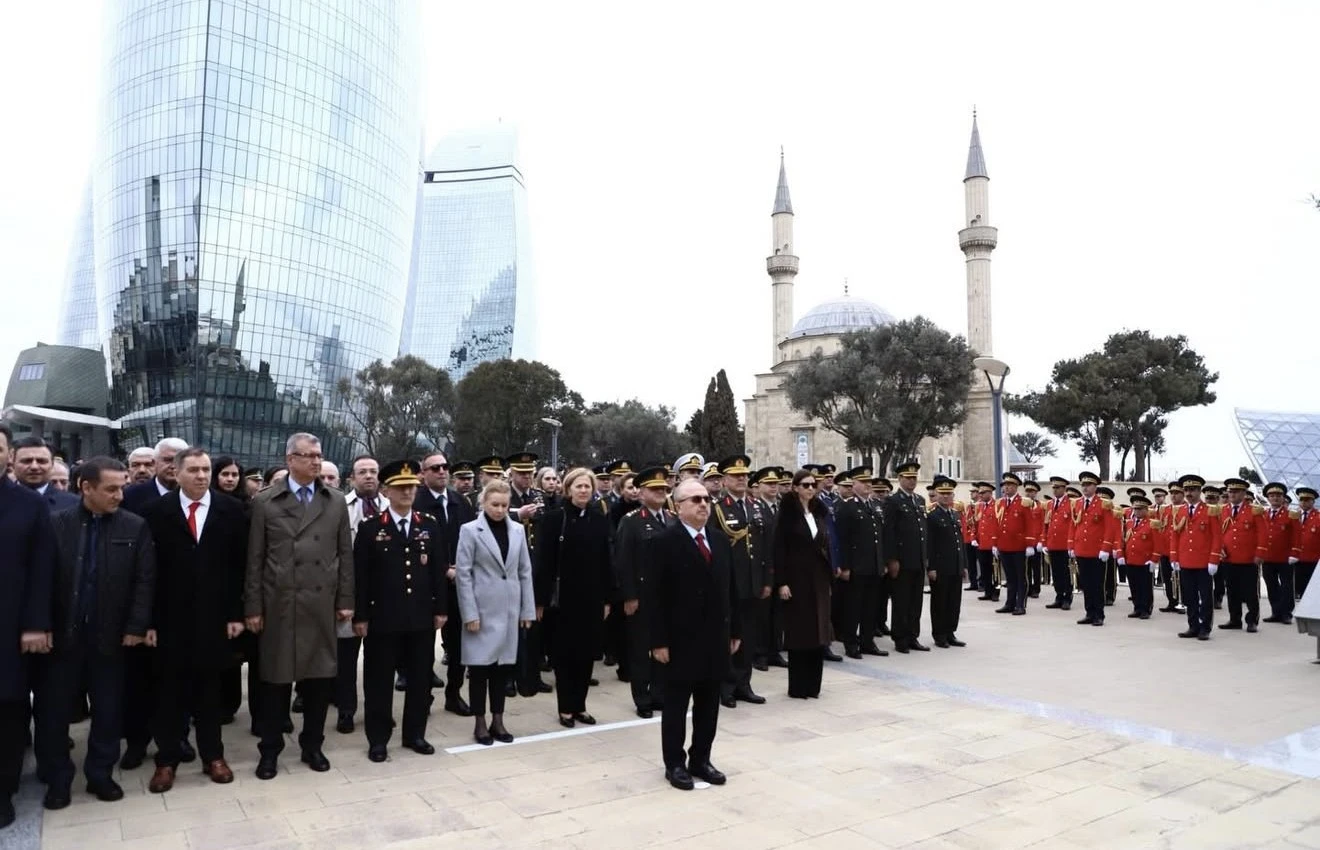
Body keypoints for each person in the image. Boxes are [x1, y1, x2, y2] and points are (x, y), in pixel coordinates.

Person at [35, 457, 155, 808]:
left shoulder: (135, 527)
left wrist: (136, 626)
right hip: (62, 639)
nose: (121, 494)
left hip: (111, 639)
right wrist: (40, 626)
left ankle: (100, 775)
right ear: (85, 488)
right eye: (112, 489)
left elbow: (145, 581)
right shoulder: (56, 525)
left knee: (108, 711)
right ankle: (58, 779)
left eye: (123, 486)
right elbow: (39, 581)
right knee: (54, 714)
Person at [244, 433, 354, 780]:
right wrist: (253, 607)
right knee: (276, 684)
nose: (315, 462)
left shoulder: (334, 500)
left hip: (321, 605)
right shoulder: (265, 502)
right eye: (308, 456)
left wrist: (346, 601)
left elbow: (345, 556)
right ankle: (270, 750)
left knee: (319, 682)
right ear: (290, 459)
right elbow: (255, 559)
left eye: (319, 456)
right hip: (280, 604)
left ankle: (312, 745)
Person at [142, 448, 247, 792]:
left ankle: (213, 757)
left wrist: (235, 614)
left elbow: (238, 568)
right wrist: (150, 622)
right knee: (168, 693)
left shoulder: (231, 510)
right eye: (194, 470)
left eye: (205, 470)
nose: (202, 476)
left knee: (209, 693)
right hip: (169, 620)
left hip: (214, 620)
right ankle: (166, 761)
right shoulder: (157, 512)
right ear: (177, 471)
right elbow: (148, 572)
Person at [649, 479, 739, 791]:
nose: (703, 504)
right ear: (678, 506)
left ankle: (701, 758)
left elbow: (731, 589)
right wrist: (658, 640)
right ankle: (674, 763)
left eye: (706, 499)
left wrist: (735, 629)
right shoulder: (664, 541)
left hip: (714, 638)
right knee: (676, 705)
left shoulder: (719, 539)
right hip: (679, 639)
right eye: (695, 499)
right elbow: (654, 596)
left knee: (708, 704)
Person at [354, 461, 447, 762]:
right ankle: (378, 739)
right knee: (378, 682)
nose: (407, 491)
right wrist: (360, 616)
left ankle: (414, 734)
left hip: (420, 617)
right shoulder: (371, 528)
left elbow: (437, 571)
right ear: (386, 490)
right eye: (400, 486)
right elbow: (361, 576)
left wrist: (441, 609)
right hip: (383, 619)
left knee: (420, 680)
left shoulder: (429, 525)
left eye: (411, 486)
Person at [0, 425, 55, 828]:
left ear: (7, 457)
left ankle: (3, 792)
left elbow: (41, 569)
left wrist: (36, 624)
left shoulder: (27, 505)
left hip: (11, 626)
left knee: (9, 709)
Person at [455, 479, 536, 746]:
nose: (500, 510)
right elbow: (463, 574)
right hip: (482, 609)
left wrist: (527, 609)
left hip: (509, 609)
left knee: (502, 670)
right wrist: (470, 614)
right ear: (484, 503)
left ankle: (498, 719)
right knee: (480, 669)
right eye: (494, 504)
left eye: (504, 505)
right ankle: (480, 723)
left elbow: (524, 571)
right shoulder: (470, 530)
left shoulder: (517, 530)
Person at [535, 468, 612, 727]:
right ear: (568, 489)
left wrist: (607, 599)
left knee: (586, 654)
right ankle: (565, 707)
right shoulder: (554, 519)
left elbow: (606, 561)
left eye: (587, 487)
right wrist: (540, 600)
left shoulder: (599, 518)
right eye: (578, 486)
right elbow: (543, 562)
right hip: (562, 601)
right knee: (564, 655)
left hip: (591, 598)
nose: (583, 491)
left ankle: (580, 705)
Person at [415, 451, 478, 714]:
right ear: (423, 473)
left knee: (457, 644)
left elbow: (472, 538)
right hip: (425, 584)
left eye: (445, 467)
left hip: (458, 584)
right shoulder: (416, 502)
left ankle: (453, 694)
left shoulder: (460, 502)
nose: (442, 471)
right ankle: (422, 697)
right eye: (435, 468)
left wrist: (462, 569)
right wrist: (443, 569)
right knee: (422, 646)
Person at [709, 455, 769, 706]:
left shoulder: (756, 506)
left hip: (753, 581)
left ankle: (744, 684)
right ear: (724, 480)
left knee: (748, 636)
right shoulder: (717, 508)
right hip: (729, 583)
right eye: (736, 476)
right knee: (728, 637)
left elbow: (765, 546)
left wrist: (767, 579)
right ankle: (726, 687)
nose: (742, 479)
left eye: (744, 475)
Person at [614, 466, 670, 718]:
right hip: (642, 596)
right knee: (640, 650)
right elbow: (623, 561)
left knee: (663, 645)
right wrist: (629, 596)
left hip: (665, 597)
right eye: (655, 489)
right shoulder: (632, 521)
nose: (660, 493)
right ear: (642, 492)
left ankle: (659, 694)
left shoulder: (672, 519)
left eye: (664, 489)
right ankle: (642, 698)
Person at [774, 469, 834, 698]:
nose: (810, 489)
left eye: (813, 485)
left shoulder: (819, 512)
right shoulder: (787, 514)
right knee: (800, 632)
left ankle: (813, 685)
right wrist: (782, 582)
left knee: (819, 631)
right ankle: (798, 686)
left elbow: (825, 546)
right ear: (795, 487)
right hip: (796, 579)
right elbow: (779, 549)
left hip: (818, 578)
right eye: (805, 485)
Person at [335, 454, 380, 733]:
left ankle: (376, 711)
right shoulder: (339, 508)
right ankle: (346, 711)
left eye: (373, 471)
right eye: (362, 472)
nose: (368, 476)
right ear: (352, 478)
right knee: (346, 662)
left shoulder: (389, 507)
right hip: (349, 596)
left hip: (383, 599)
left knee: (379, 662)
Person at [834, 467, 887, 658]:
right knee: (853, 607)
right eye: (863, 482)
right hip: (856, 566)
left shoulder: (874, 506)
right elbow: (843, 540)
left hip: (873, 565)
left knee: (870, 607)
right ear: (854, 484)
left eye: (869, 482)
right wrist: (845, 566)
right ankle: (851, 643)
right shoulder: (847, 507)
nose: (867, 486)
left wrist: (882, 562)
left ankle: (867, 641)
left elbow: (879, 537)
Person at [882, 461, 929, 653]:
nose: (912, 481)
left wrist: (925, 556)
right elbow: (889, 532)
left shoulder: (919, 500)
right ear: (900, 479)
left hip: (917, 558)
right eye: (908, 478)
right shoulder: (893, 501)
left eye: (914, 478)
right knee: (901, 600)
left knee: (915, 601)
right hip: (902, 560)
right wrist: (892, 559)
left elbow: (922, 531)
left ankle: (912, 636)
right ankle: (900, 638)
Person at [1168, 474, 1221, 640]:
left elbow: (1216, 537)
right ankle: (1193, 626)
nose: (1189, 493)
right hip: (1185, 560)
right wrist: (1174, 558)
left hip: (1204, 562)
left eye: (1192, 490)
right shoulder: (1180, 510)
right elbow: (1175, 535)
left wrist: (1214, 560)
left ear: (1199, 491)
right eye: (1186, 490)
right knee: (1189, 596)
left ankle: (1205, 627)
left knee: (1205, 597)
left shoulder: (1210, 510)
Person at [1219, 477, 1268, 633]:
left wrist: (1260, 553)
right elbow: (1217, 533)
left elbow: (1263, 533)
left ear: (1244, 493)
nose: (1232, 494)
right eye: (1230, 491)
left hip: (1248, 558)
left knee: (1250, 592)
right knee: (1232, 591)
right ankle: (1235, 619)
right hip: (1228, 557)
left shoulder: (1254, 510)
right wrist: (1219, 548)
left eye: (1236, 492)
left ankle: (1252, 620)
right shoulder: (1222, 510)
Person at [926, 476, 967, 647]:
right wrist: (931, 567)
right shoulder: (932, 516)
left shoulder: (954, 514)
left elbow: (959, 541)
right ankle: (940, 634)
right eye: (942, 493)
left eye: (948, 493)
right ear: (936, 494)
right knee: (940, 602)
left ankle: (950, 632)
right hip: (941, 567)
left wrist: (963, 565)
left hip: (955, 565)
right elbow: (930, 544)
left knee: (954, 601)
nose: (945, 497)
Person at [1068, 472, 1113, 627]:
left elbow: (1109, 527)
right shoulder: (1077, 503)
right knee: (1086, 583)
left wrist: (1106, 547)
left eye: (1088, 485)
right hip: (1081, 549)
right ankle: (1089, 612)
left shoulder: (1104, 503)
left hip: (1097, 550)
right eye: (1083, 485)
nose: (1085, 488)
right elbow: (1073, 525)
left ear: (1095, 487)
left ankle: (1099, 614)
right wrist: (1071, 545)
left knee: (1097, 584)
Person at [991, 472, 1040, 617]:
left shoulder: (1024, 503)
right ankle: (1009, 603)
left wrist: (1030, 544)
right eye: (1005, 485)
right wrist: (995, 543)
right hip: (1004, 545)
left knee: (1020, 577)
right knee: (1010, 577)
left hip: (1019, 546)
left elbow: (1030, 524)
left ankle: (1020, 604)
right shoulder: (1000, 503)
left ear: (1016, 487)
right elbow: (997, 523)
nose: (1006, 488)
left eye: (1009, 485)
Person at [1260, 482, 1302, 625]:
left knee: (1287, 586)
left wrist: (1295, 553)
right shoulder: (1263, 514)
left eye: (1278, 495)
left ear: (1283, 498)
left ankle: (1287, 613)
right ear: (1268, 498)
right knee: (1271, 585)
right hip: (1268, 557)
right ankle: (1276, 612)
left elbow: (1297, 535)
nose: (1275, 498)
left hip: (1285, 557)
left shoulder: (1292, 515)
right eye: (1272, 496)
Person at [1117, 494, 1159, 620]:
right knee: (1134, 585)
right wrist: (1121, 555)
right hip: (1131, 559)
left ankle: (1146, 609)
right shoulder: (1129, 523)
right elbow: (1123, 540)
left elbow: (1158, 543)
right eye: (1135, 509)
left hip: (1145, 560)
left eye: (1140, 509)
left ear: (1146, 510)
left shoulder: (1152, 524)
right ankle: (1137, 607)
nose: (1137, 512)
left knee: (1145, 586)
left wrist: (1154, 559)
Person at [11, 437, 79, 511]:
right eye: (27, 461)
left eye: (41, 461)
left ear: (52, 465)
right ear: (13, 464)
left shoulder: (74, 504)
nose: (34, 467)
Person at [1043, 476, 1075, 610]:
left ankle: (1067, 597)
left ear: (1064, 489)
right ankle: (1058, 596)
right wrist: (1044, 542)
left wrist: (1071, 544)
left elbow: (1074, 524)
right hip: (1053, 543)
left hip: (1064, 545)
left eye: (1058, 488)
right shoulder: (1050, 504)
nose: (1055, 490)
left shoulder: (1071, 503)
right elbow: (1045, 525)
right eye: (1054, 488)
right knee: (1055, 572)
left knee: (1065, 572)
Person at [1297, 488, 1320, 600]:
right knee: (1295, 590)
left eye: (1307, 500)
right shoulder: (1293, 516)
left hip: (1313, 559)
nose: (1304, 502)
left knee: (1310, 592)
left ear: (1313, 501)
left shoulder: (1318, 517)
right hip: (1295, 559)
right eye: (1302, 499)